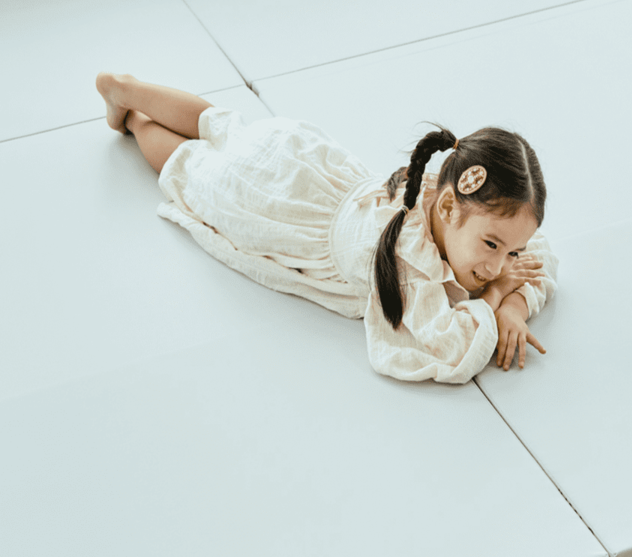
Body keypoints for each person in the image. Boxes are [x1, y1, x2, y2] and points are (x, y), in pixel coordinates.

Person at [96, 73, 558, 384]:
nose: (499, 266)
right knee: (191, 167)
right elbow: (455, 349)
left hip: (307, 160)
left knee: (227, 126)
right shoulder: (409, 263)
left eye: (511, 253)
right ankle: (135, 118)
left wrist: (515, 308)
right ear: (452, 208)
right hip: (275, 206)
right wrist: (498, 298)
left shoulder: (441, 192)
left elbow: (541, 253)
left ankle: (127, 89)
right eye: (492, 246)